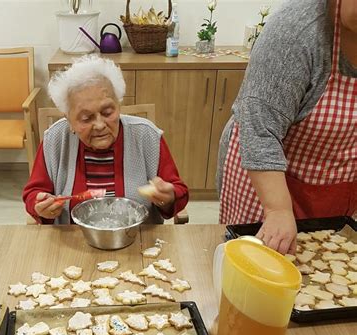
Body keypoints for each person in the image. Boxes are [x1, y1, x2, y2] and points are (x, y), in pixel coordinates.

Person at [217, 0, 356, 255]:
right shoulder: (297, 29)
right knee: (259, 267)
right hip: (266, 180)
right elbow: (260, 125)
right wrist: (278, 210)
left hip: (334, 187)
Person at [23, 56, 188, 224]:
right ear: (69, 119)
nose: (100, 125)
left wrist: (168, 197)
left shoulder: (146, 135)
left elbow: (178, 192)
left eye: (108, 112)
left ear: (119, 105)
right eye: (86, 118)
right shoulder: (56, 139)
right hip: (73, 241)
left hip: (136, 240)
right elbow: (33, 193)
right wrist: (41, 205)